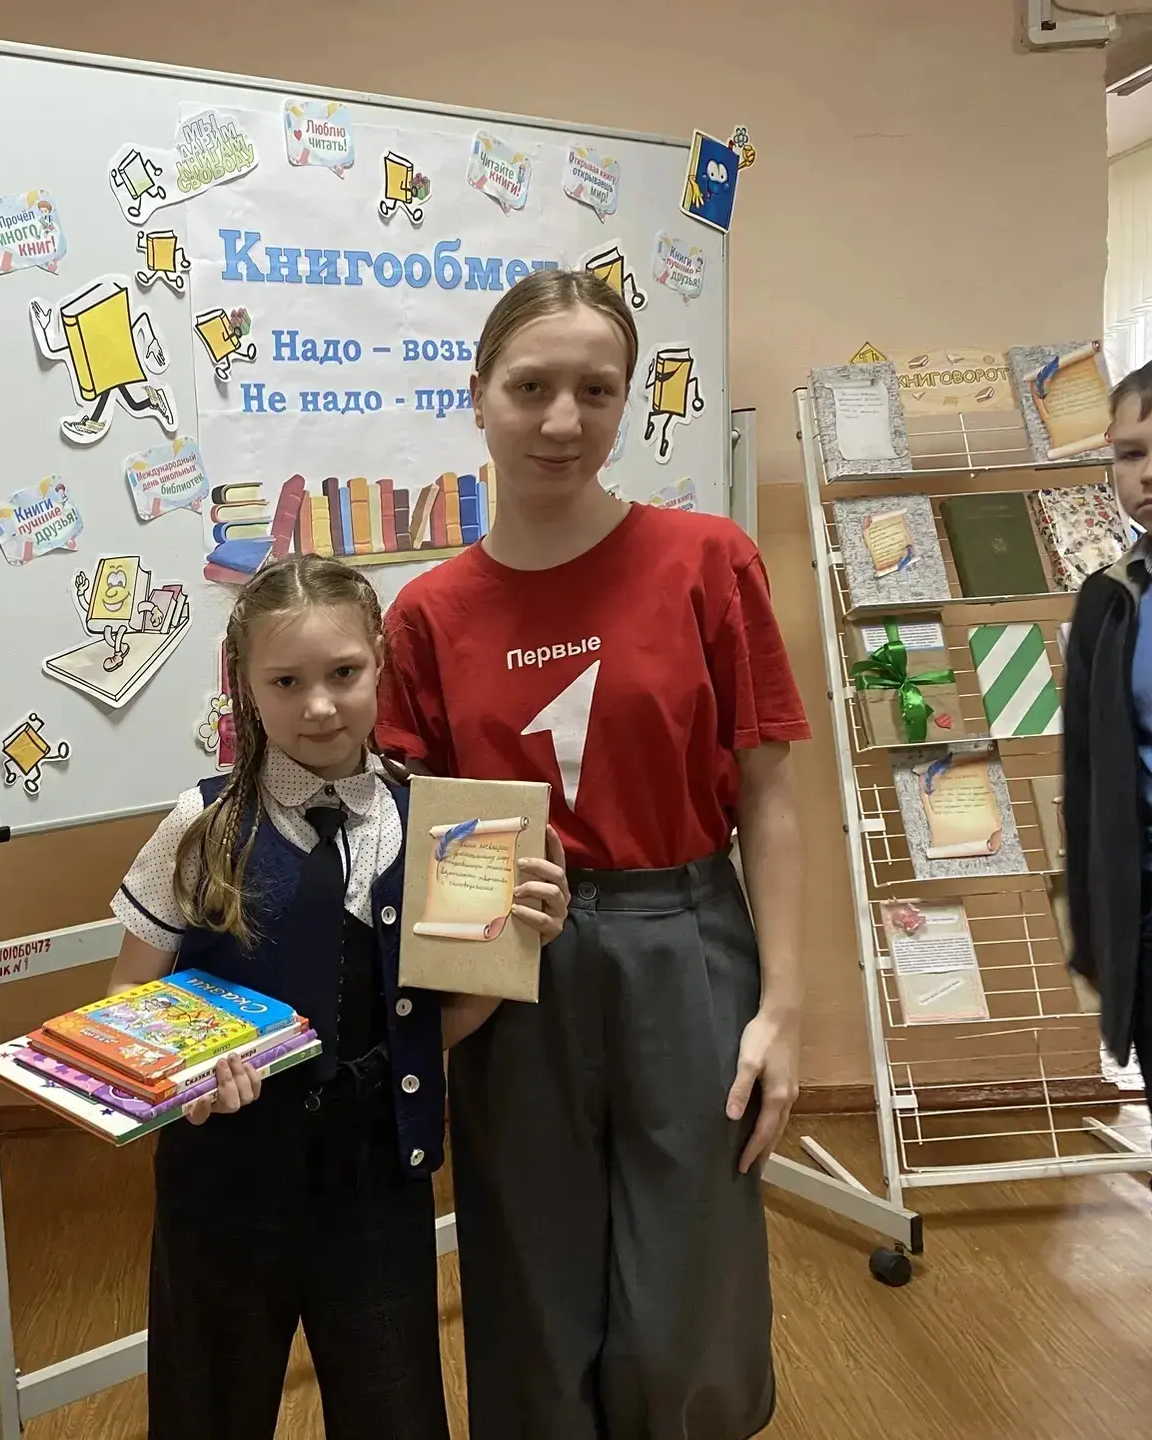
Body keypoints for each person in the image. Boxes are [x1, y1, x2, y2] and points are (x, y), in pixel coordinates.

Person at [376, 268, 809, 1440]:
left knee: (691, 1286)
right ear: (478, 394)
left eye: (596, 390)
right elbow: (414, 832)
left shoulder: (709, 560)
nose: (562, 420)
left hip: (688, 944)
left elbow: (768, 794)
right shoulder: (425, 616)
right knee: (531, 1280)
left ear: (626, 401)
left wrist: (783, 1009)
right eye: (531, 387)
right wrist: (446, 1007)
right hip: (512, 964)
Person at [107, 554, 571, 1440]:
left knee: (395, 1409)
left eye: (344, 674)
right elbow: (130, 987)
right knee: (209, 1407)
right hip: (223, 1183)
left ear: (380, 666)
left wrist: (522, 941)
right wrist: (188, 1073)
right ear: (245, 686)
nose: (319, 705)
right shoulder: (200, 825)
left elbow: (445, 1021)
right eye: (286, 681)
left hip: (375, 1178)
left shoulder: (440, 824)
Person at [1064, 356, 1152, 1246]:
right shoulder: (1110, 602)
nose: (1149, 474)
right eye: (1131, 454)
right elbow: (1087, 781)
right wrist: (1097, 934)